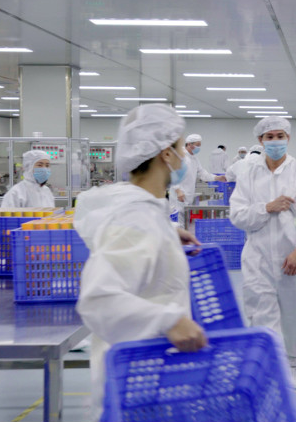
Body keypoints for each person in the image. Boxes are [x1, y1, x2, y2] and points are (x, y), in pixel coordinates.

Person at [74, 104, 207, 422]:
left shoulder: (142, 211)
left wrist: (166, 233)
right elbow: (99, 299)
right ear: (166, 154)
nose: (184, 156)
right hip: (136, 384)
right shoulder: (137, 218)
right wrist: (170, 321)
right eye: (180, 148)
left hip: (149, 373)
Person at [229, 116, 296, 390]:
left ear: (288, 138)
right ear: (260, 141)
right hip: (257, 258)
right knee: (260, 314)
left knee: (295, 316)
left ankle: (295, 365)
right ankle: (268, 366)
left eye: (279, 136)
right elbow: (237, 216)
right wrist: (266, 207)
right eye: (269, 137)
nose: (275, 141)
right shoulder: (248, 174)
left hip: (294, 259)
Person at [168, 133, 225, 226]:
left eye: (199, 145)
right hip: (178, 196)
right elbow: (172, 173)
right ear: (189, 144)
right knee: (177, 224)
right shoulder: (180, 156)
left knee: (184, 224)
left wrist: (217, 177)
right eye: (197, 145)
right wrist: (178, 191)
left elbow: (203, 174)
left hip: (187, 196)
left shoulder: (194, 159)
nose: (199, 148)